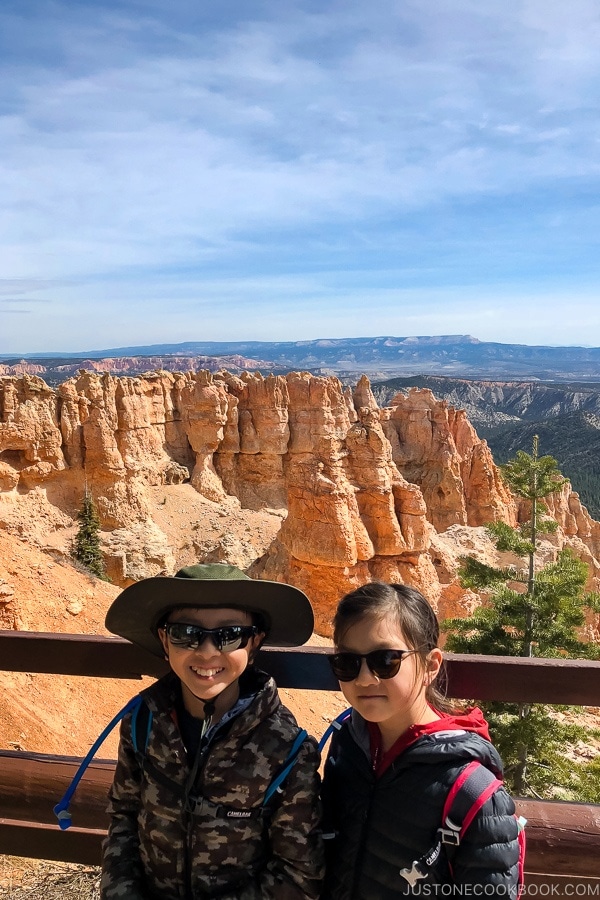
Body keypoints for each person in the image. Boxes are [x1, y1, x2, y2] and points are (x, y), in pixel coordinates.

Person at [100, 563, 324, 900]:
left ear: (254, 641)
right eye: (185, 634)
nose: (206, 652)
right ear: (164, 638)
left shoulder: (287, 750)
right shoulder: (142, 722)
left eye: (229, 634)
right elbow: (124, 820)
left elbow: (297, 874)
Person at [321, 582, 522, 899]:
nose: (363, 678)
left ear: (431, 665)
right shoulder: (349, 744)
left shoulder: (470, 790)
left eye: (385, 660)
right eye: (347, 662)